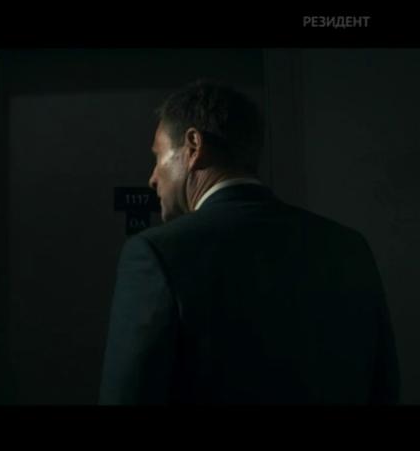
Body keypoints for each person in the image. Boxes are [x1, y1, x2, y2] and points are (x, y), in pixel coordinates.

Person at [99, 81, 399, 404]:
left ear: (193, 146)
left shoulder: (156, 254)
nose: (153, 177)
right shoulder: (349, 248)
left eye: (158, 156)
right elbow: (384, 390)